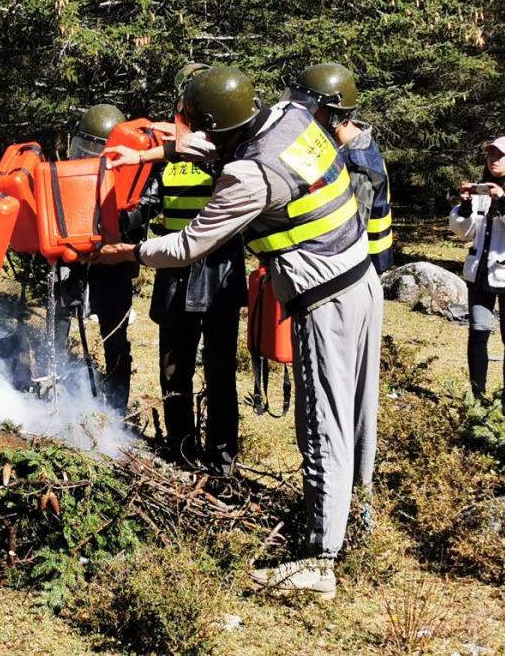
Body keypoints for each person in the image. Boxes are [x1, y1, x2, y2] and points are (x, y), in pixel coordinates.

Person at [99, 66, 382, 600]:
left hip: (325, 299)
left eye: (195, 123)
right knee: (357, 413)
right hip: (361, 277)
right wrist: (147, 156)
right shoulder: (290, 116)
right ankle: (359, 522)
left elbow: (188, 246)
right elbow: (217, 151)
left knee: (323, 423)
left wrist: (130, 252)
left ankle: (320, 562)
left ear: (211, 121)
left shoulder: (250, 176)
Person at [117, 66, 245, 474]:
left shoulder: (229, 149)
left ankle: (222, 460)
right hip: (174, 274)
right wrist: (119, 219)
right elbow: (146, 205)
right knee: (174, 371)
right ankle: (181, 451)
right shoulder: (167, 156)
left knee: (221, 374)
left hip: (220, 274)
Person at [53, 104, 138, 413]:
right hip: (71, 259)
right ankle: (55, 392)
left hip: (112, 264)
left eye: (96, 150)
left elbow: (144, 208)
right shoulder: (69, 174)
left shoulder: (135, 174)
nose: (88, 157)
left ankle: (115, 412)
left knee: (114, 336)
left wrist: (118, 225)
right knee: (60, 319)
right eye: (84, 148)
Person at [288, 63, 394, 273]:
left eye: (312, 109)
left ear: (337, 116)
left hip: (360, 271)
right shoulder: (340, 147)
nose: (305, 117)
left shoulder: (358, 165)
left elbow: (349, 234)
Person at [449, 136, 505, 408]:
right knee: (478, 332)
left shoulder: (498, 193)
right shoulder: (483, 190)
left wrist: (503, 201)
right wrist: (465, 205)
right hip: (479, 273)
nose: (494, 160)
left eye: (500, 156)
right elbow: (464, 232)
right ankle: (477, 398)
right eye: (491, 155)